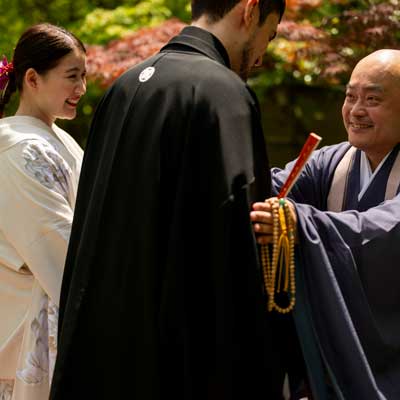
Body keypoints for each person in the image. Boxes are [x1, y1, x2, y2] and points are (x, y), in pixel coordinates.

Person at [49, 1, 295, 399]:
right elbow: (235, 249)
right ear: (250, 10)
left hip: (106, 349)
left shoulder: (124, 86)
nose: (263, 55)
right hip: (178, 361)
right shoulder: (223, 93)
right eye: (270, 34)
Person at [251, 49, 400, 399]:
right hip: (333, 345)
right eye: (350, 97)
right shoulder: (330, 163)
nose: (356, 111)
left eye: (373, 99)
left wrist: (298, 223)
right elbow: (263, 191)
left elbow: (384, 227)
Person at [0, 23, 86, 400]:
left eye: (84, 76)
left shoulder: (59, 139)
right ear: (32, 78)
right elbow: (62, 252)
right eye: (72, 77)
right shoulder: (21, 150)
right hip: (33, 319)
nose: (81, 89)